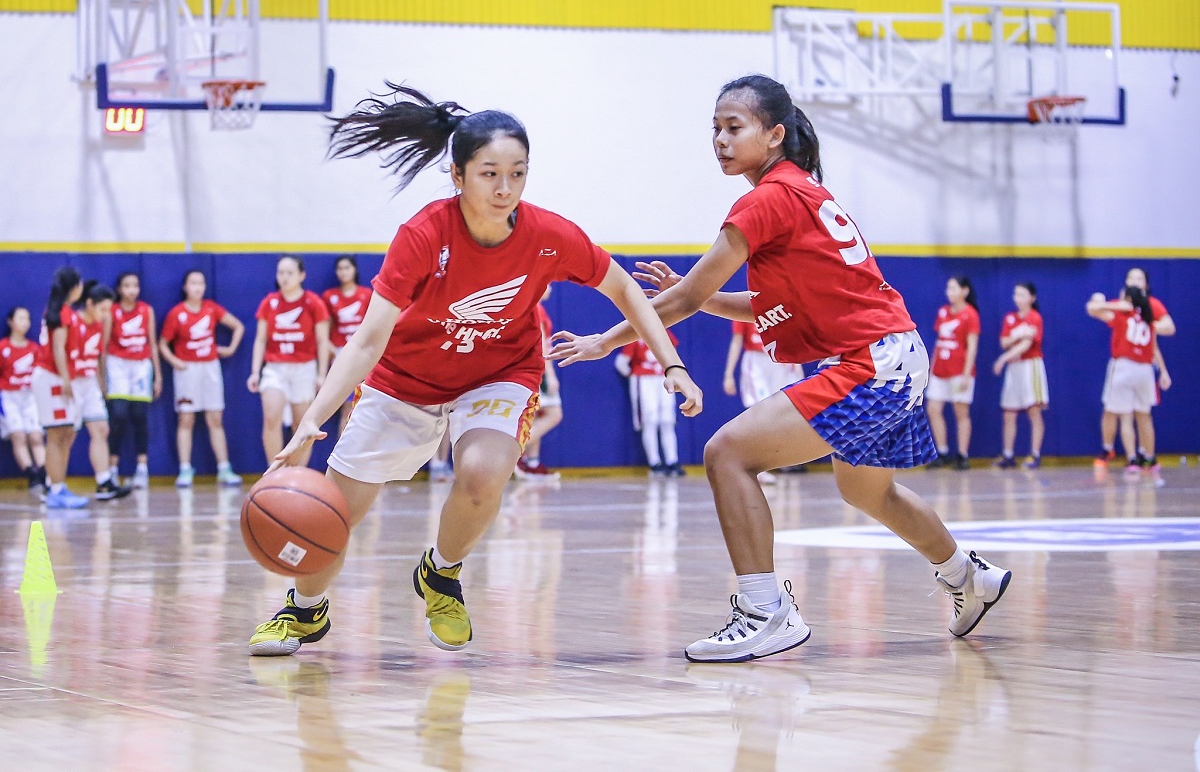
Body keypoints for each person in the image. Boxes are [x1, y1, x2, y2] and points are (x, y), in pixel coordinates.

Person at [550, 74, 1011, 663]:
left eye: (733, 127)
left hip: (870, 362)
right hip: (895, 356)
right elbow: (759, 304)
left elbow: (684, 299)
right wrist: (700, 295)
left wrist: (604, 340)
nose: (719, 139)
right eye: (714, 128)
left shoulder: (764, 200)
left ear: (773, 135)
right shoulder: (801, 192)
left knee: (727, 454)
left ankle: (766, 610)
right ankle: (968, 577)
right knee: (868, 492)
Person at [248, 83, 700, 657]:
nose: (505, 187)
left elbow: (626, 291)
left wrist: (673, 364)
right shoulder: (423, 235)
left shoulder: (549, 236)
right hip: (402, 382)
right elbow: (366, 341)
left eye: (518, 173)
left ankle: (441, 573)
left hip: (499, 373)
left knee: (485, 472)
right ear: (458, 176)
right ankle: (304, 611)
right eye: (489, 173)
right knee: (333, 515)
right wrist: (312, 418)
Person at [31, 271, 132, 507]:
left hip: (66, 378)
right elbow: (57, 349)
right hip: (54, 378)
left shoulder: (67, 313)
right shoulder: (66, 315)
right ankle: (54, 488)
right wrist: (66, 379)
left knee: (66, 433)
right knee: (59, 434)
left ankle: (64, 486)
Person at [159, 270, 246, 487]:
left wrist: (231, 348)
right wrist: (174, 361)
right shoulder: (176, 313)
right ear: (185, 287)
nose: (197, 287)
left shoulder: (211, 308)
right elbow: (162, 343)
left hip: (210, 368)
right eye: (193, 283)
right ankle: (185, 469)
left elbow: (238, 326)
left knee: (215, 419)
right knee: (186, 419)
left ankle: (224, 468)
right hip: (187, 371)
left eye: (201, 283)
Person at [248, 255, 331, 469]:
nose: (284, 277)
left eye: (290, 273)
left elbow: (323, 342)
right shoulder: (270, 302)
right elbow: (260, 339)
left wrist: (322, 374)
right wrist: (255, 371)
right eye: (281, 273)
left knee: (302, 425)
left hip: (304, 368)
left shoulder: (313, 303)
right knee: (271, 417)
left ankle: (297, 473)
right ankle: (273, 470)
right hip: (275, 368)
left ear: (302, 275)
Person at [1095, 267, 1175, 468]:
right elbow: (1094, 310)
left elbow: (1159, 337)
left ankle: (1144, 456)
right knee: (1119, 412)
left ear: (1146, 285)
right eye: (1131, 277)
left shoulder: (1151, 306)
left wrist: (1163, 370)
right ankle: (1118, 452)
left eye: (1139, 278)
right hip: (1125, 364)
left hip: (1142, 367)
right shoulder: (1122, 307)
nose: (1135, 281)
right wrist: (1103, 303)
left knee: (1140, 414)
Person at [721, 320, 804, 482]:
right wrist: (728, 374)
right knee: (758, 412)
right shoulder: (743, 305)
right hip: (756, 360)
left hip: (779, 359)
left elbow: (791, 334)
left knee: (782, 410)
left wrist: (797, 361)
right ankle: (757, 465)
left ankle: (786, 459)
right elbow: (736, 341)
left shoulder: (778, 303)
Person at [106, 272, 164, 489]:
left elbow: (152, 343)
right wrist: (102, 378)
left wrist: (157, 375)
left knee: (140, 416)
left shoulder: (146, 310)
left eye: (135, 285)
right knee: (118, 416)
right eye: (127, 286)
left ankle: (142, 469)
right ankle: (112, 469)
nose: (131, 290)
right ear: (119, 289)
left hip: (141, 366)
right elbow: (103, 347)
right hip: (118, 365)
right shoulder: (112, 311)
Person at [925, 276, 980, 470]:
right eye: (948, 287)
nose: (949, 292)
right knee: (933, 408)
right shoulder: (942, 312)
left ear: (964, 291)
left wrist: (966, 374)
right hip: (940, 370)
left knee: (961, 412)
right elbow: (938, 343)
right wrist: (931, 370)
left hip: (959, 371)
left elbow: (972, 346)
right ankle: (942, 451)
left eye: (953, 288)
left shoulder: (970, 314)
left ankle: (962, 455)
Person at [992, 282, 1047, 470]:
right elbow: (1004, 341)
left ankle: (1035, 454)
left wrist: (1003, 359)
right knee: (1009, 412)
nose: (1018, 298)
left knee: (1034, 410)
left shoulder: (1035, 317)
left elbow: (1026, 344)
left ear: (1032, 298)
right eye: (1016, 294)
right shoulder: (1010, 318)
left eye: (1023, 294)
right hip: (1014, 369)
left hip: (1030, 367)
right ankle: (1008, 454)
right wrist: (1017, 336)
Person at [616, 333, 684, 476]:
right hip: (644, 380)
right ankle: (655, 463)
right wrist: (634, 374)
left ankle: (672, 461)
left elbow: (673, 355)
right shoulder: (634, 333)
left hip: (663, 379)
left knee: (667, 420)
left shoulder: (664, 332)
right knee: (650, 420)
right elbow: (621, 363)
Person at [321, 255, 373, 436]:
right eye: (340, 269)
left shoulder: (366, 295)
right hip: (340, 355)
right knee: (346, 408)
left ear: (354, 270)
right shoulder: (329, 297)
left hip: (364, 356)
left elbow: (374, 327)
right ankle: (341, 455)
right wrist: (333, 352)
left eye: (347, 268)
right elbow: (323, 332)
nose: (343, 272)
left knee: (366, 408)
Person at [515, 285, 562, 479]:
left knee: (533, 416)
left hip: (529, 370)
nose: (550, 288)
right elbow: (541, 344)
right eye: (547, 284)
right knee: (555, 414)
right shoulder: (536, 308)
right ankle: (514, 453)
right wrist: (550, 374)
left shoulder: (531, 308)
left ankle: (531, 463)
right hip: (538, 371)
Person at [0, 306, 46, 494]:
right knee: (18, 435)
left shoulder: (34, 348)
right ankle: (31, 475)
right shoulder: (3, 347)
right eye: (20, 318)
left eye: (27, 318)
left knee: (36, 436)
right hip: (9, 397)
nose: (25, 322)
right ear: (10, 322)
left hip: (30, 397)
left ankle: (44, 473)